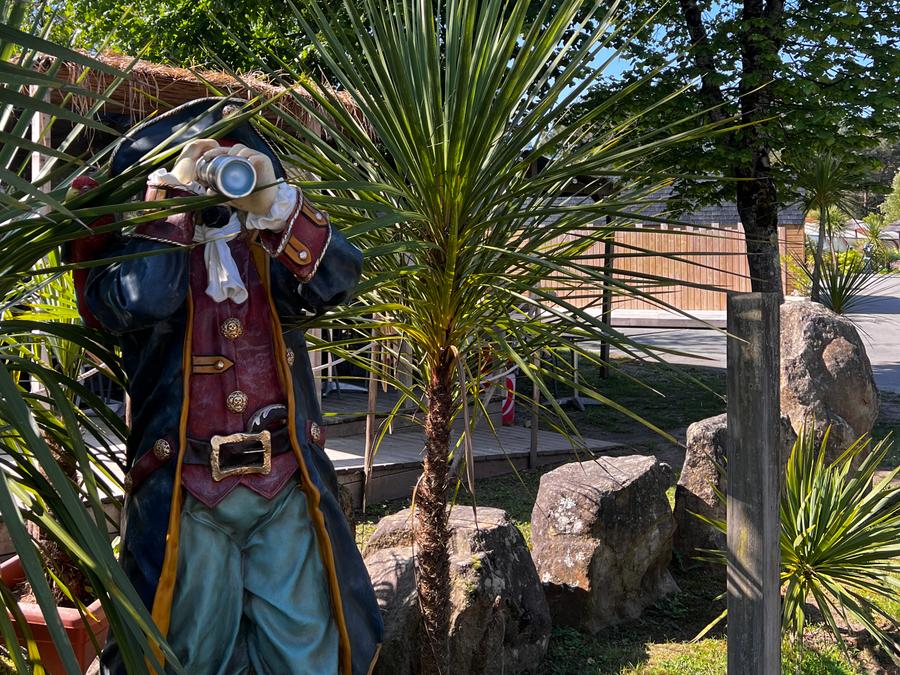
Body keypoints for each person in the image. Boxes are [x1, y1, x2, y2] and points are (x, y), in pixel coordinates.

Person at [68, 98, 383, 675]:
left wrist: (277, 207)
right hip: (187, 491)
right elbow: (143, 299)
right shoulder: (134, 257)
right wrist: (170, 210)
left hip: (283, 484)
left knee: (305, 650)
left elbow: (340, 279)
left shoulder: (268, 250)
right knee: (190, 651)